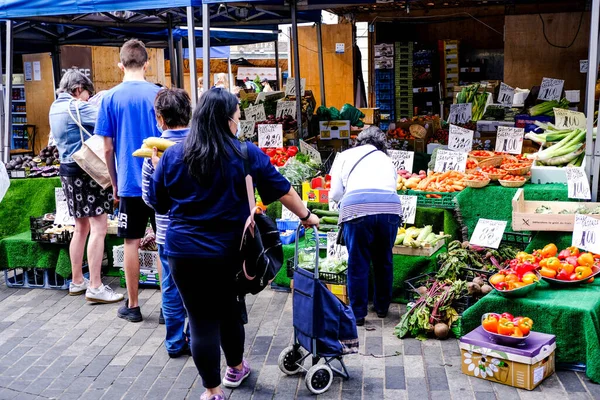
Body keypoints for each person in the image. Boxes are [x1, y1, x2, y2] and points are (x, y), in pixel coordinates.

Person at [147, 88, 319, 400]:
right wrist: (307, 216)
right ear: (228, 121)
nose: (239, 121)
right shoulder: (244, 153)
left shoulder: (173, 155)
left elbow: (158, 204)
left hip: (183, 252)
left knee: (200, 320)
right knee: (228, 309)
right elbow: (282, 189)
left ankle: (212, 391)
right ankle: (235, 368)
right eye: (238, 115)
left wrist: (160, 168)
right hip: (229, 253)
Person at [96, 39, 161, 323]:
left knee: (131, 242)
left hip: (130, 184)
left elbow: (107, 149)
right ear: (147, 63)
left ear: (120, 65)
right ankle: (168, 307)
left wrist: (115, 183)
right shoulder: (160, 94)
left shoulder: (109, 98)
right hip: (161, 181)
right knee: (165, 240)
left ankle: (133, 306)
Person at [49, 70, 123, 304]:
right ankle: (96, 286)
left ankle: (78, 280)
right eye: (86, 94)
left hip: (67, 170)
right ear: (78, 88)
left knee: (80, 228)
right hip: (85, 170)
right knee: (99, 227)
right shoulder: (77, 107)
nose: (87, 98)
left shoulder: (54, 106)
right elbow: (106, 116)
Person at [329, 126, 402, 327]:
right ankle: (382, 308)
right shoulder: (386, 159)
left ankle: (358, 313)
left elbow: (335, 193)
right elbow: (392, 186)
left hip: (356, 209)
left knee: (358, 261)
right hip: (389, 209)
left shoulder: (344, 156)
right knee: (383, 258)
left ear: (358, 142)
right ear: (381, 144)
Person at [141, 88, 191, 358]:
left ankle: (174, 342)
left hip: (168, 236)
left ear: (160, 119)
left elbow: (148, 199)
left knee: (171, 287)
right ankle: (196, 338)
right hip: (200, 234)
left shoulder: (152, 153)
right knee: (197, 290)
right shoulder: (202, 147)